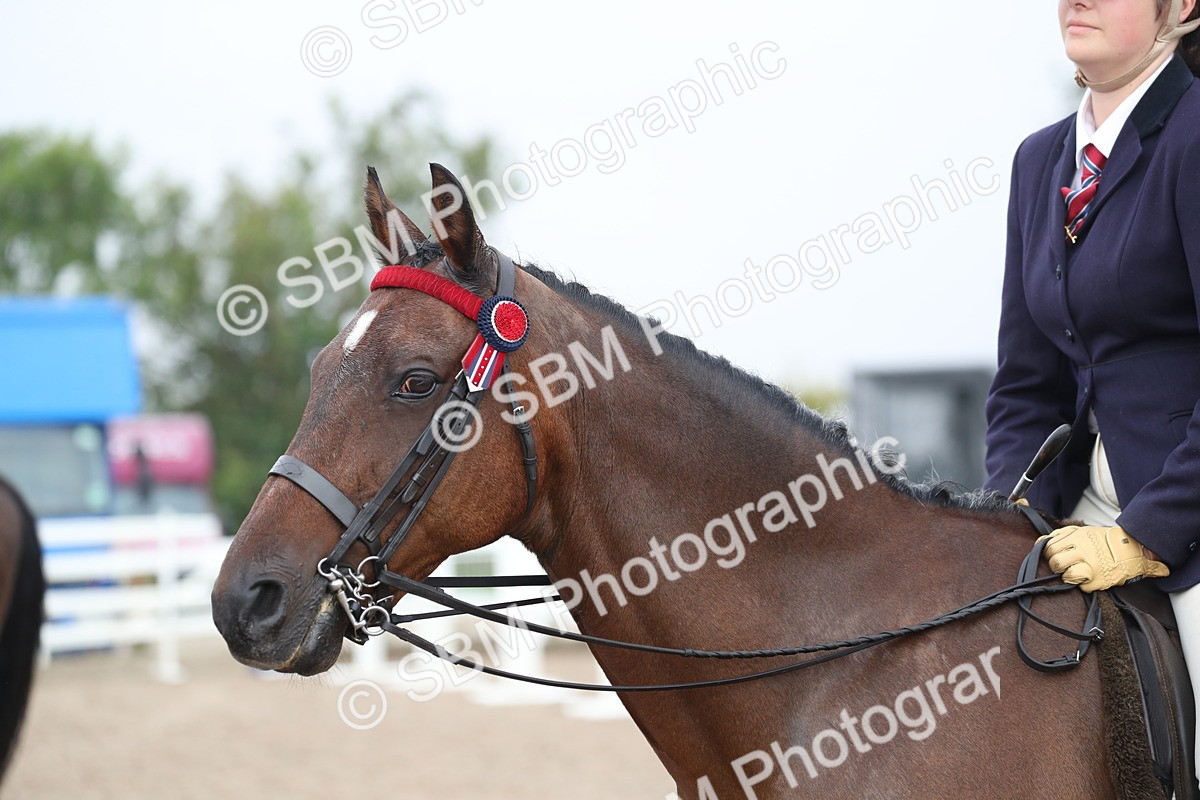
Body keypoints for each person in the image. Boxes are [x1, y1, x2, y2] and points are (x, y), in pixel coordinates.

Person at [983, 0, 1200, 777]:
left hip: (1186, 515)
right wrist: (1006, 510)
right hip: (1076, 504)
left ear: (1180, 8)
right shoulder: (1039, 161)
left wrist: (1148, 535)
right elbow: (1026, 376)